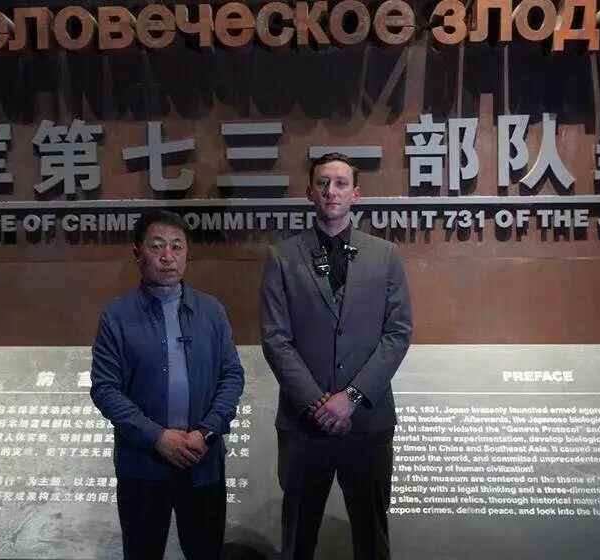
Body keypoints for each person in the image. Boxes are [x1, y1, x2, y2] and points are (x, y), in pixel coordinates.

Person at [259, 153, 413, 560]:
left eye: (341, 183)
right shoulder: (282, 257)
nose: (331, 191)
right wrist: (317, 402)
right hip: (303, 424)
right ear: (310, 192)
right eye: (323, 183)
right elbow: (275, 339)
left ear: (355, 193)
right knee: (297, 536)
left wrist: (352, 397)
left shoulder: (385, 255)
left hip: (368, 423)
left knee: (372, 536)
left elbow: (397, 333)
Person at [91, 209, 245, 560]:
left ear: (187, 253)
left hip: (202, 459)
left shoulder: (211, 311)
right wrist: (157, 437)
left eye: (177, 246)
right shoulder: (117, 316)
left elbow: (232, 375)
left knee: (205, 551)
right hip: (142, 463)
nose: (167, 256)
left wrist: (206, 432)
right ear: (137, 252)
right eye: (157, 246)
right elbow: (105, 388)